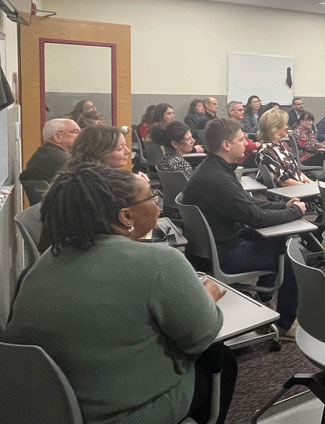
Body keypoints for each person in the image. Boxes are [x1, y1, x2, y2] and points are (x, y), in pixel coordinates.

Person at [6, 165, 236, 423]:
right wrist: (207, 296)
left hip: (39, 409)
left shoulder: (45, 261)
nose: (157, 204)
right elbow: (200, 336)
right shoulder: (161, 262)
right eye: (152, 197)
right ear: (126, 216)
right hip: (120, 416)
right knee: (220, 359)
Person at [182, 118, 305, 338]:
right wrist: (296, 212)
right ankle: (286, 324)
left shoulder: (214, 169)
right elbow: (256, 218)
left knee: (282, 242)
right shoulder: (218, 178)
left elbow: (249, 204)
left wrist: (282, 206)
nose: (247, 142)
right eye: (241, 139)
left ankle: (265, 296)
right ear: (226, 145)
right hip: (224, 254)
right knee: (292, 255)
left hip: (211, 249)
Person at [258, 108, 312, 187]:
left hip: (300, 188)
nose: (287, 127)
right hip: (291, 194)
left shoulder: (281, 146)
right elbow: (284, 181)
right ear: (275, 128)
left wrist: (312, 184)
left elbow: (297, 172)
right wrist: (308, 188)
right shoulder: (265, 152)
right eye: (284, 124)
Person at [20, 118, 81, 183]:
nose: (81, 136)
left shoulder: (40, 155)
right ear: (58, 136)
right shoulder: (63, 161)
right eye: (76, 132)